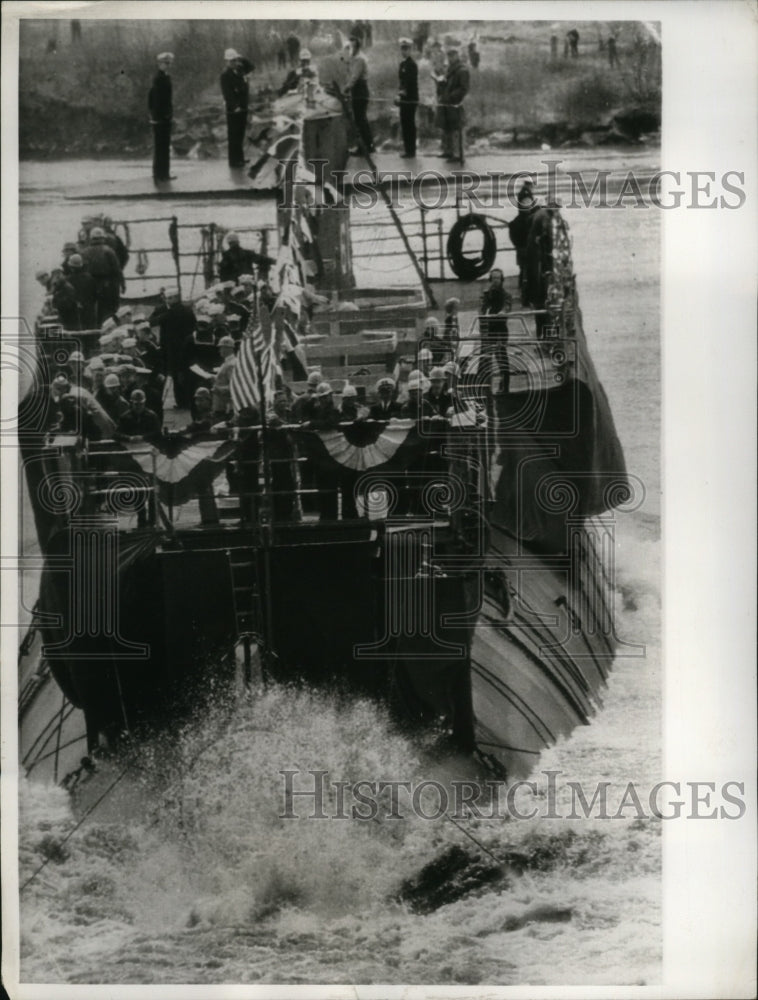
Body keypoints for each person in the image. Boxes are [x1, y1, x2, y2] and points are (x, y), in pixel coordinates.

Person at [157, 287, 196, 408]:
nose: (167, 301)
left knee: (177, 375)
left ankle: (181, 401)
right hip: (188, 347)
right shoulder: (188, 311)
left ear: (175, 298)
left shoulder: (169, 313)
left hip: (174, 349)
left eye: (169, 298)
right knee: (187, 374)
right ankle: (189, 400)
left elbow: (156, 321)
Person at [479, 268, 513, 394]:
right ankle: (485, 388)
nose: (495, 281)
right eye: (493, 278)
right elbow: (483, 307)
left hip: (500, 330)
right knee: (485, 358)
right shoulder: (486, 294)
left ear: (502, 280)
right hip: (489, 329)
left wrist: (503, 312)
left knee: (501, 357)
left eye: (498, 278)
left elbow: (507, 305)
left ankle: (505, 387)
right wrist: (486, 313)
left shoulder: (506, 295)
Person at [82, 226, 124, 324]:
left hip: (90, 285)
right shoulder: (108, 250)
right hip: (107, 285)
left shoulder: (84, 252)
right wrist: (122, 283)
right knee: (109, 309)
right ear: (103, 238)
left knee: (92, 310)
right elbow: (117, 269)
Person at [508, 182, 541, 305]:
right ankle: (526, 296)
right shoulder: (518, 222)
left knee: (530, 273)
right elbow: (515, 236)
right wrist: (520, 247)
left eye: (528, 203)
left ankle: (528, 295)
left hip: (529, 249)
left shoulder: (532, 218)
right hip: (524, 249)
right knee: (525, 272)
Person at [344, 34, 374, 156]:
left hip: (360, 89)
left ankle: (365, 146)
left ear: (357, 47)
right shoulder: (354, 58)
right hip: (357, 90)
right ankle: (367, 145)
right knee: (360, 119)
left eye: (352, 47)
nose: (350, 49)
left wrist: (345, 88)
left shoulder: (360, 59)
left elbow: (355, 77)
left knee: (360, 119)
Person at [220, 49, 250, 169]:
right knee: (234, 136)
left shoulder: (239, 70)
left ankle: (240, 158)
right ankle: (233, 161)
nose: (233, 62)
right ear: (227, 61)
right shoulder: (225, 75)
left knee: (240, 134)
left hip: (243, 107)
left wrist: (241, 58)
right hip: (233, 110)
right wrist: (235, 106)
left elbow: (251, 66)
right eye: (231, 61)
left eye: (235, 60)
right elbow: (227, 94)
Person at [148, 52, 175, 182]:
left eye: (169, 63)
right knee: (160, 147)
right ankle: (158, 174)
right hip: (160, 118)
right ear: (160, 64)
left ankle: (165, 173)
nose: (168, 65)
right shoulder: (158, 78)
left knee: (165, 146)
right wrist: (159, 115)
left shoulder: (166, 77)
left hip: (165, 117)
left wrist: (169, 114)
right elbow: (155, 99)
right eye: (165, 63)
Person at [440, 44, 469, 163]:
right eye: (449, 56)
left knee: (456, 129)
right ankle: (449, 151)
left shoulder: (462, 70)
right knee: (448, 128)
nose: (450, 58)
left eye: (452, 55)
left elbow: (464, 88)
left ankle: (457, 154)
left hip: (455, 103)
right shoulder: (450, 69)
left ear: (457, 56)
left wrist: (452, 96)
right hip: (447, 103)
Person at [397, 38, 419, 159]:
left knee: (409, 124)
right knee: (404, 123)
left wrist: (401, 94)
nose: (404, 51)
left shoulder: (412, 65)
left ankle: (411, 151)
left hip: (410, 98)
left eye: (406, 49)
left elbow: (409, 84)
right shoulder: (402, 64)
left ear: (410, 50)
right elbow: (401, 82)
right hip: (404, 98)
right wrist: (399, 94)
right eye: (402, 49)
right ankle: (407, 149)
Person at [65, 253, 97, 329]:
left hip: (73, 312)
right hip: (89, 310)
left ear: (71, 267)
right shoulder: (90, 278)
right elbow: (95, 295)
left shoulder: (67, 280)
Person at [212, 335, 236, 420]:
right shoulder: (227, 362)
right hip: (222, 403)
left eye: (221, 348)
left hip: (226, 405)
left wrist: (218, 389)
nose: (219, 351)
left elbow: (234, 386)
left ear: (228, 348)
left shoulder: (231, 364)